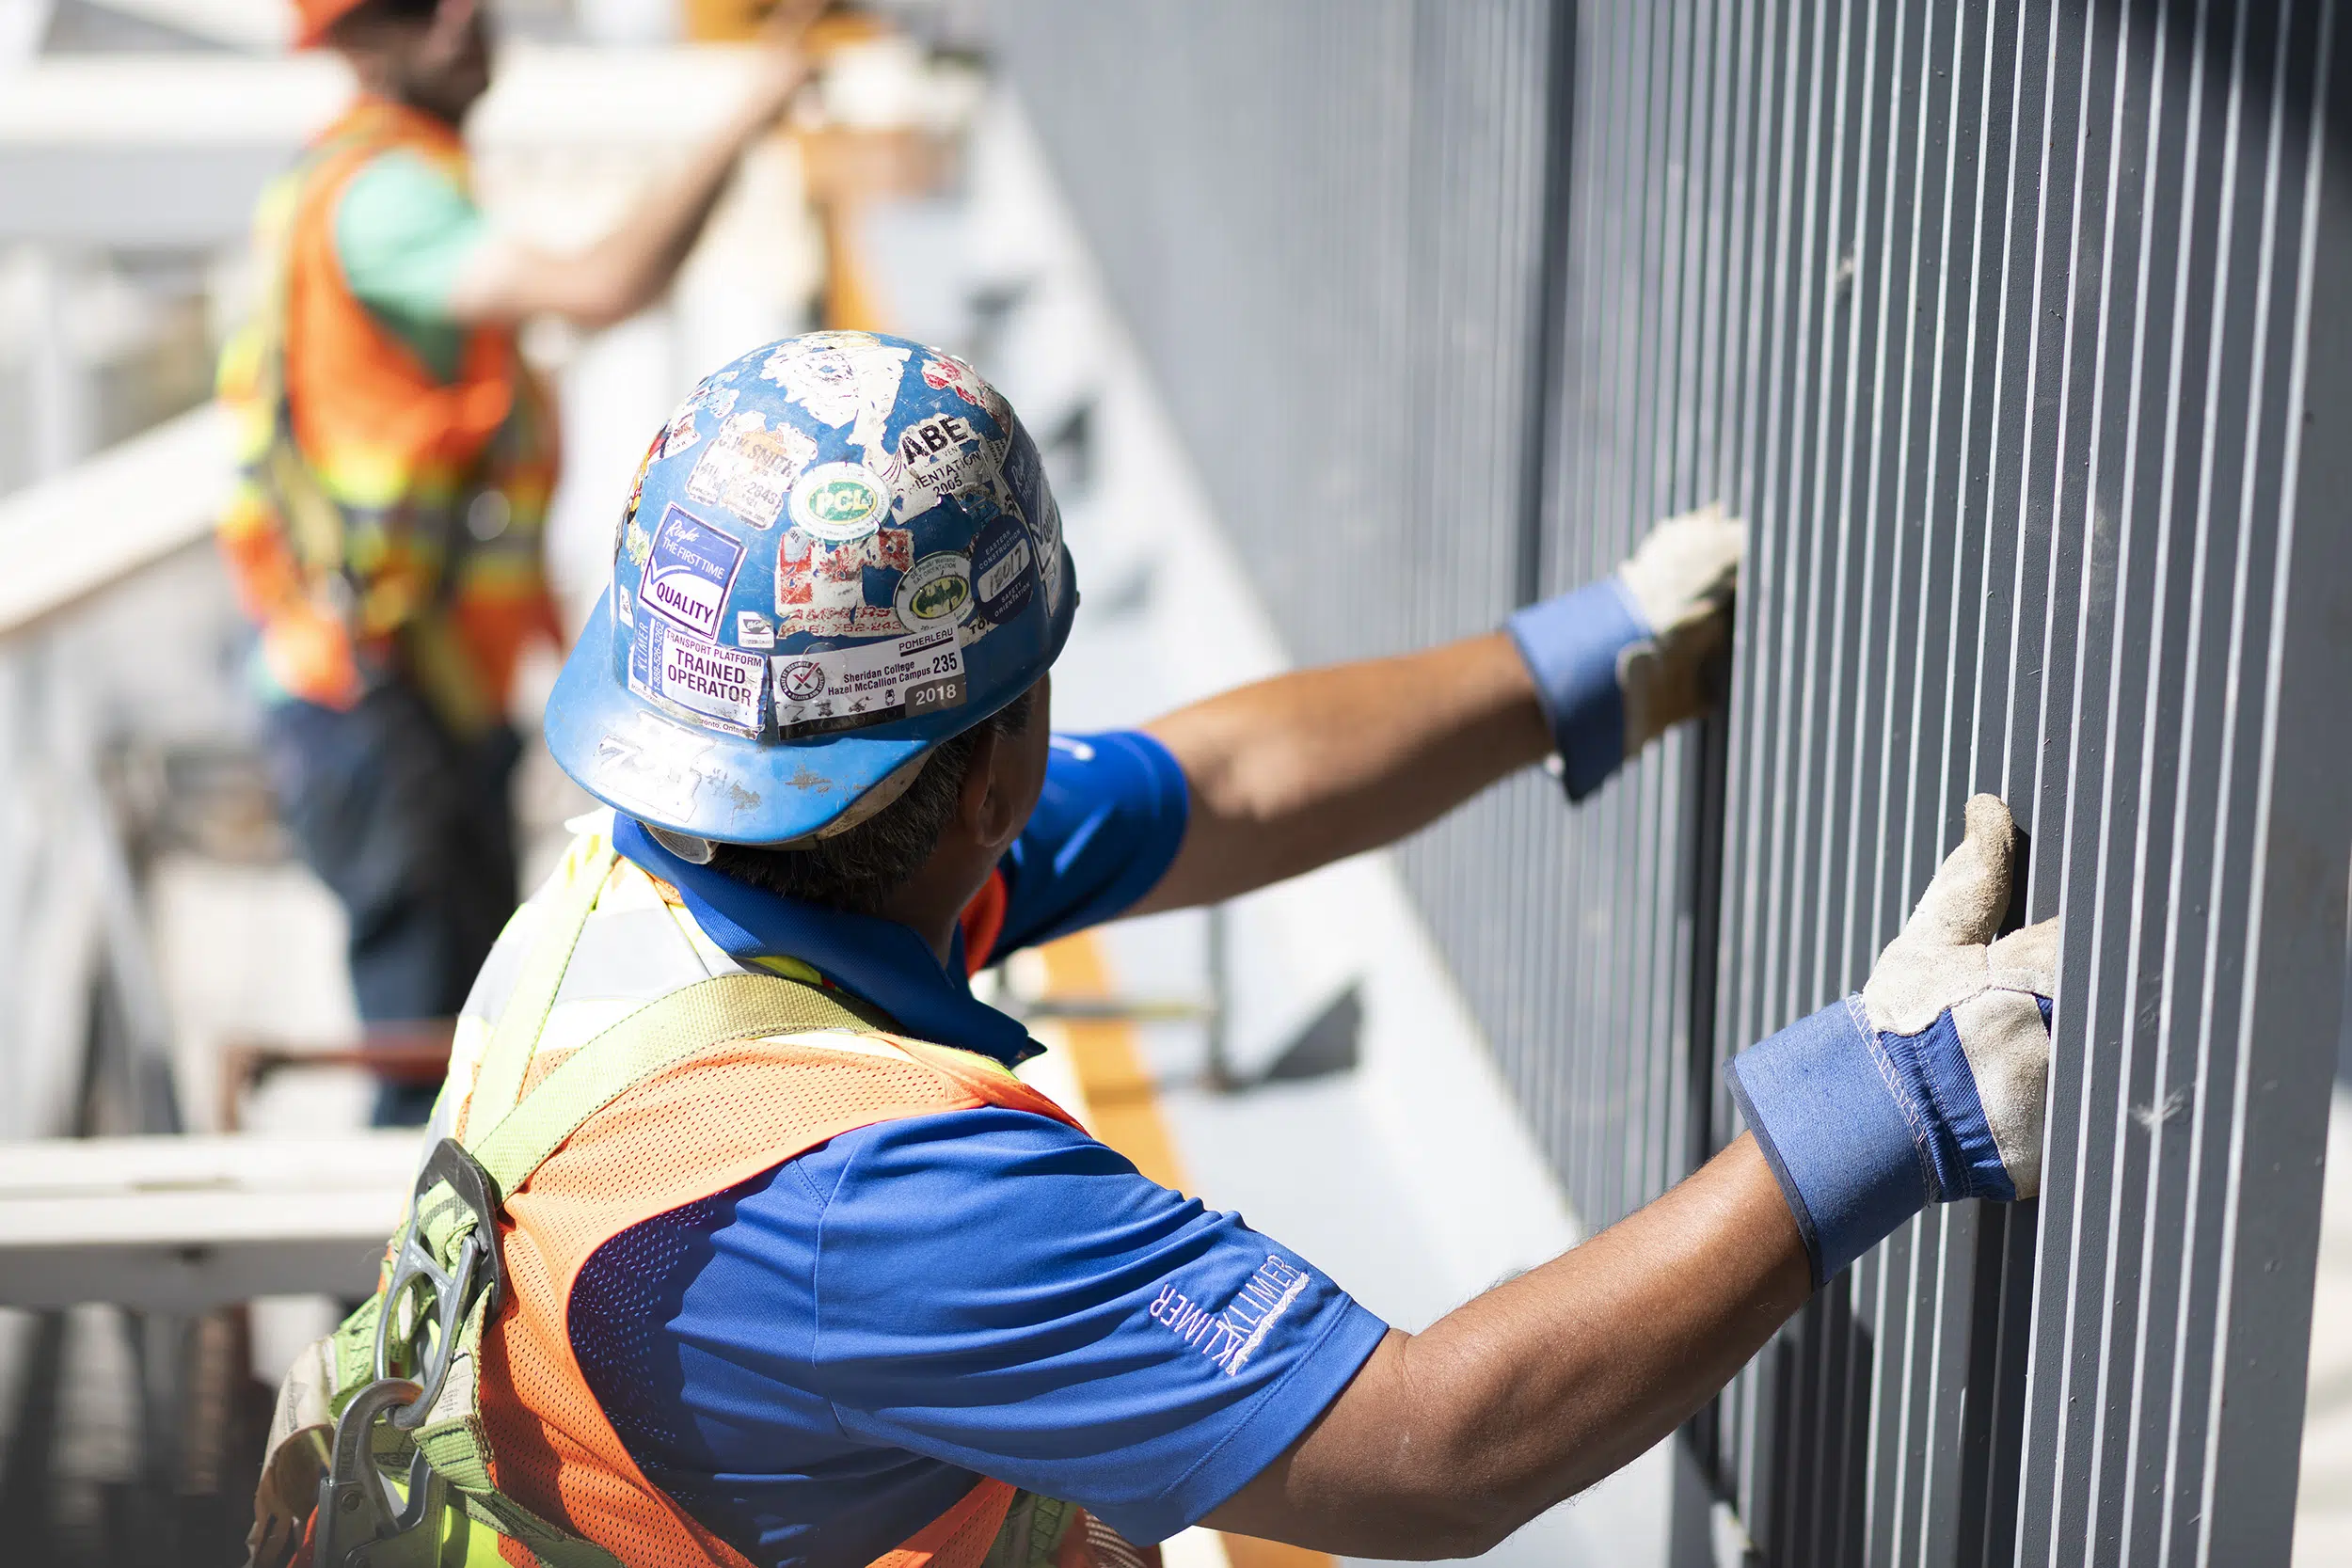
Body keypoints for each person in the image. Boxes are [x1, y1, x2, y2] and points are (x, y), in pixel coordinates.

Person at [248, 334, 2061, 1568]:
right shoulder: (870, 1202)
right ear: (996, 760)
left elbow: (1226, 782)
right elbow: (1434, 1447)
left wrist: (1597, 655)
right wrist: (1889, 1106)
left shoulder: (671, 892)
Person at [214, 0, 828, 1124]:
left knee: (465, 1061)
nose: (459, 20)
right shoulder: (383, 199)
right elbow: (602, 286)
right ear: (353, 42)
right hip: (381, 703)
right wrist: (750, 111)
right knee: (437, 1088)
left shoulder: (353, 182)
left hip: (393, 688)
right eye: (412, 5)